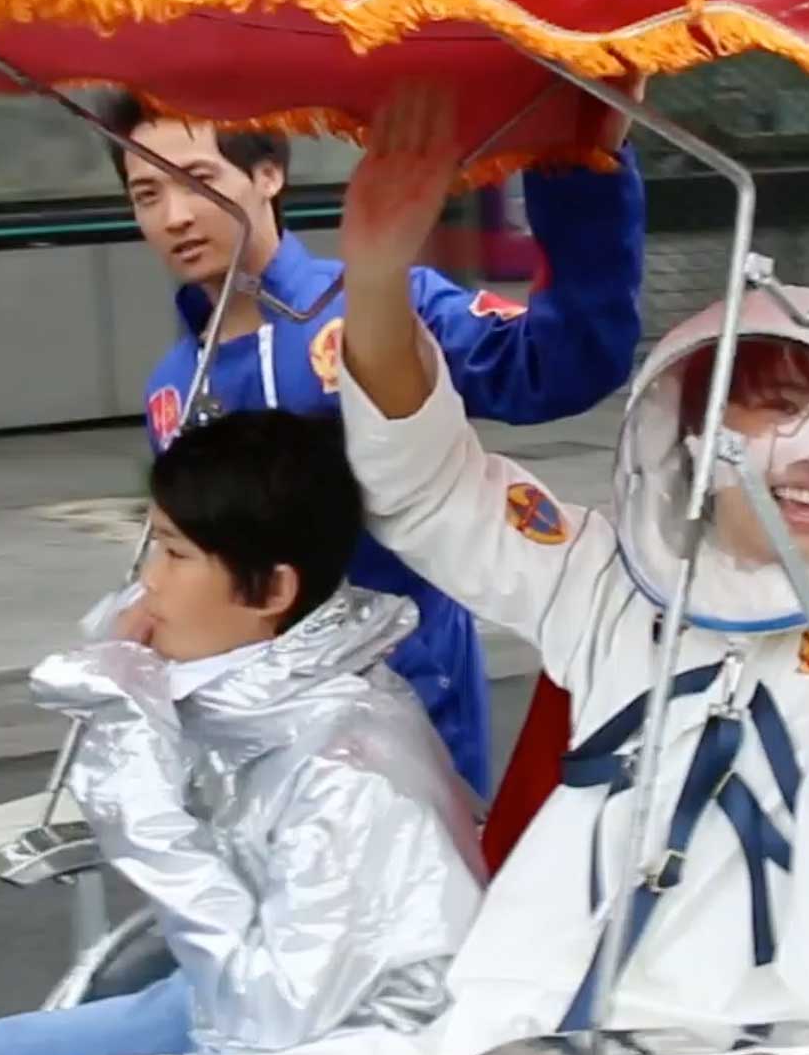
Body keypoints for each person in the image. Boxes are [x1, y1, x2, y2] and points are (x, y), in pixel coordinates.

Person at [0, 84, 809, 1055]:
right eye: (769, 410)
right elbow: (428, 488)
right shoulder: (619, 590)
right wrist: (376, 274)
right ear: (692, 440)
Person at [0, 409, 484, 1055]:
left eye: (176, 555)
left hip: (346, 1052)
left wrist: (139, 791)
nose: (147, 582)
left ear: (271, 591)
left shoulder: (349, 772)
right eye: (154, 545)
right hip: (247, 983)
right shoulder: (253, 688)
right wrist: (133, 692)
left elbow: (266, 1021)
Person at [92, 89, 647, 794]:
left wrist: (581, 164)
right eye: (146, 195)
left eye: (199, 181)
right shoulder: (172, 388)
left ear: (268, 174)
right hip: (254, 746)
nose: (174, 216)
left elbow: (558, 367)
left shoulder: (382, 303)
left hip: (411, 705)